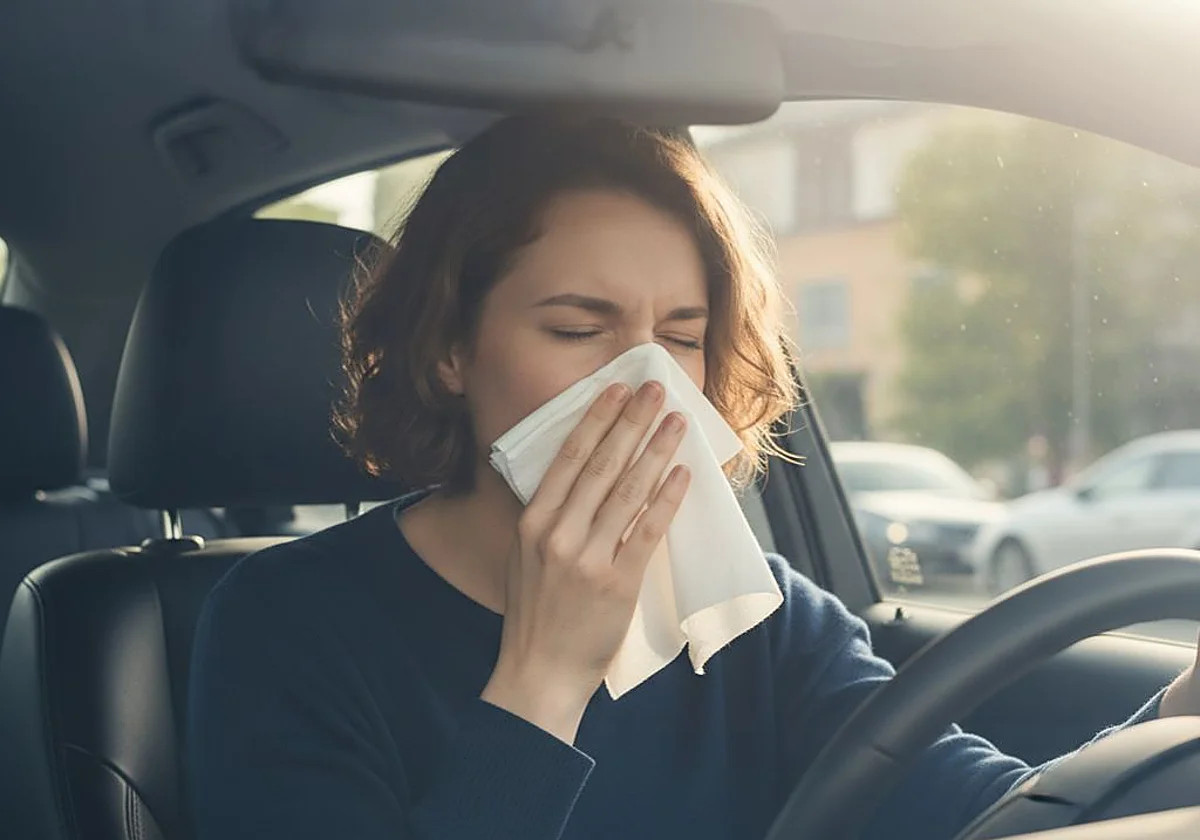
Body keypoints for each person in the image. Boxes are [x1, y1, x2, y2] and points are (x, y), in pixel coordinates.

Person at [186, 114, 1200, 840]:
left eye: (683, 337)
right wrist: (543, 678)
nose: (645, 383)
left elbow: (989, 818)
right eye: (579, 329)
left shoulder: (752, 618)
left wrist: (1178, 719)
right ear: (450, 349)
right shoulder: (284, 624)